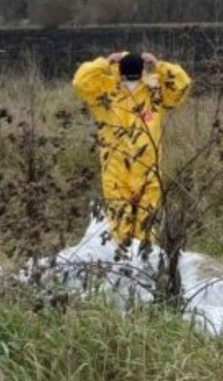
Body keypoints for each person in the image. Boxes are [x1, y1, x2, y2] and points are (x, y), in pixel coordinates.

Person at [73, 50, 191, 243]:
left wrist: (159, 65)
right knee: (119, 222)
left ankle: (144, 261)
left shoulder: (154, 90)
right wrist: (104, 63)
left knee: (147, 224)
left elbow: (181, 84)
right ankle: (122, 261)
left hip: (147, 167)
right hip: (115, 166)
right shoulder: (105, 89)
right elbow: (80, 81)